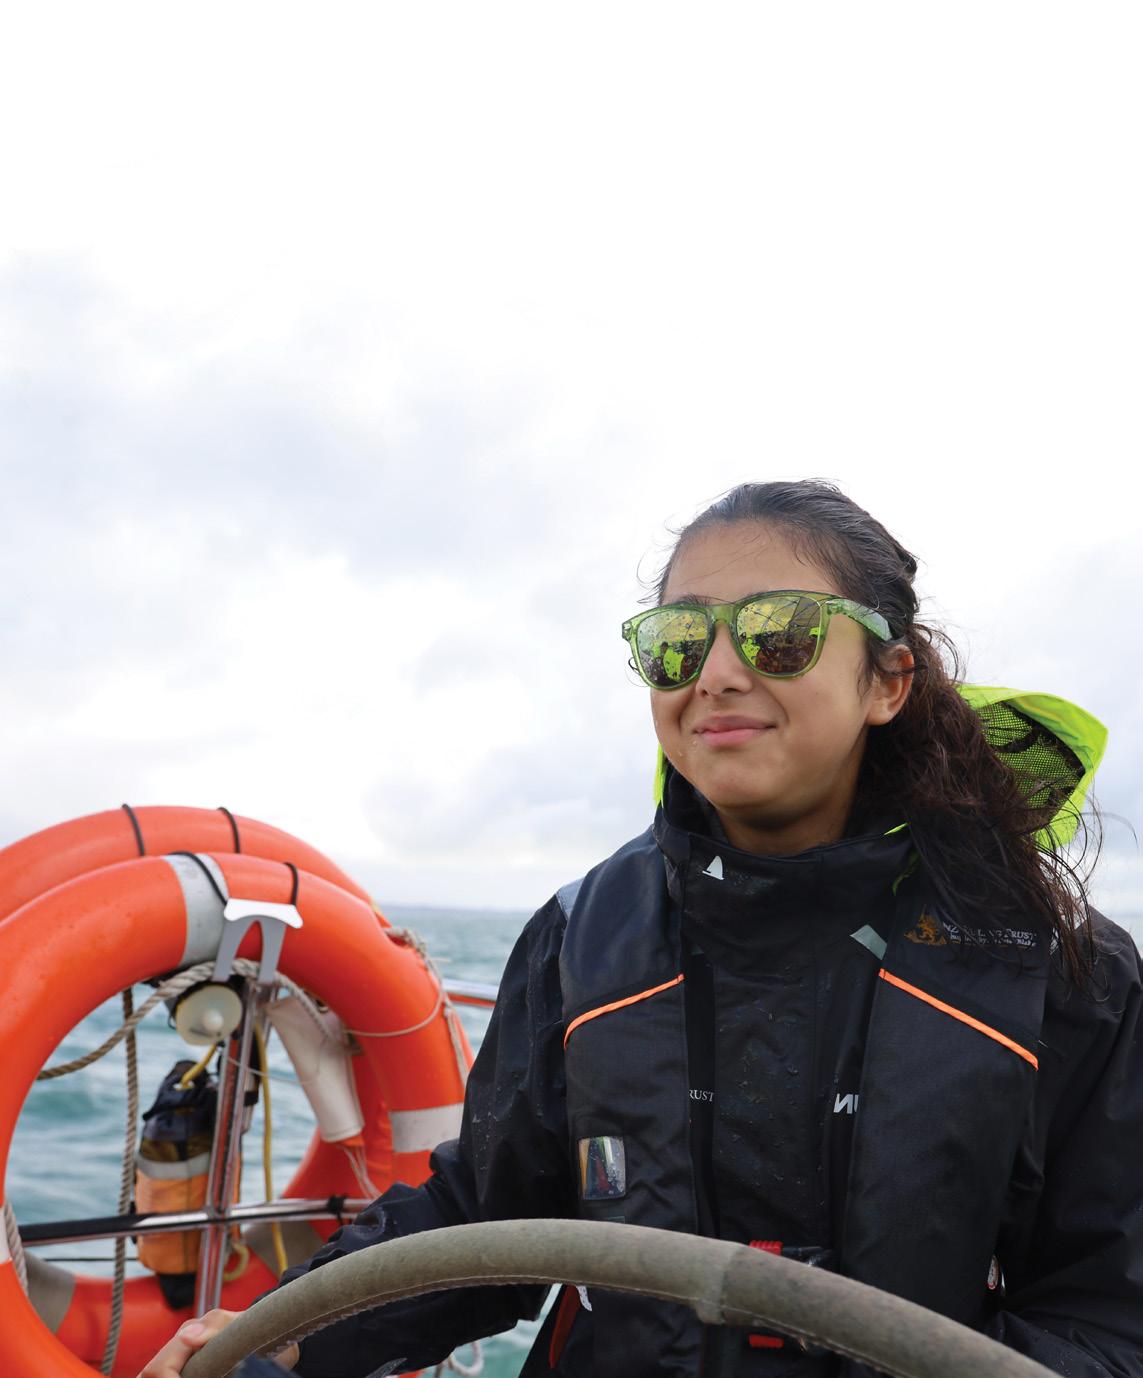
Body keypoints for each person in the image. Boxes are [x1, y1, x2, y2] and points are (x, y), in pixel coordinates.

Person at [140, 481, 1143, 1378]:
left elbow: (1109, 1318)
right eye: (678, 640)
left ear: (888, 680)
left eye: (779, 633)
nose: (717, 672)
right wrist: (284, 1331)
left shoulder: (1061, 971)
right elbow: (483, 1220)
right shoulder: (582, 936)